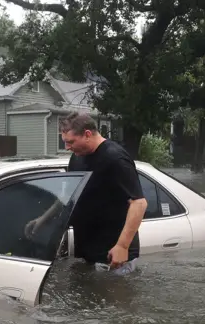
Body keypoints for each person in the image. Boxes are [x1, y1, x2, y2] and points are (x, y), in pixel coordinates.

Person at [25, 112, 148, 274]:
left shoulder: (115, 158)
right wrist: (43, 219)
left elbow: (139, 203)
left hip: (113, 255)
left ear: (87, 134)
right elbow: (69, 194)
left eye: (70, 142)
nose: (67, 147)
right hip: (87, 250)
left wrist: (122, 246)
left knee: (116, 297)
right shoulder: (77, 157)